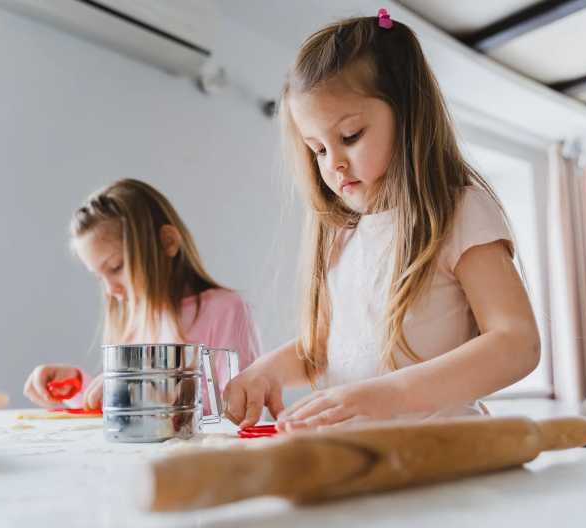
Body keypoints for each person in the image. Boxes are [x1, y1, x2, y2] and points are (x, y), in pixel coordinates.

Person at [223, 9, 540, 431]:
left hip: (439, 458)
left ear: (407, 114)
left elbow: (517, 342)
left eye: (350, 136)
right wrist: (266, 371)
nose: (333, 163)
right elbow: (323, 350)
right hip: (362, 461)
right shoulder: (340, 233)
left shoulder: (460, 212)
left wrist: (391, 394)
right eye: (316, 149)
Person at [23, 178, 261, 410]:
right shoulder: (136, 321)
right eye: (99, 277)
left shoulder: (227, 310)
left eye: (116, 267)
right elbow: (118, 406)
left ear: (167, 242)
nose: (110, 290)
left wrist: (143, 391)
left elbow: (239, 409)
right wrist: (74, 385)